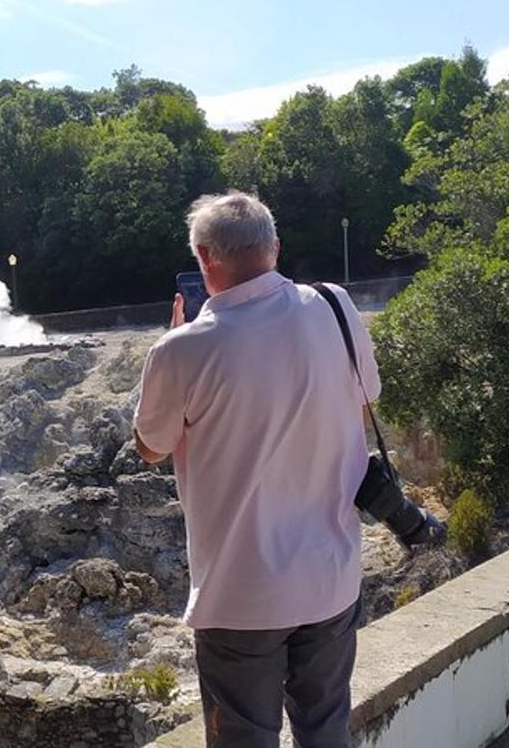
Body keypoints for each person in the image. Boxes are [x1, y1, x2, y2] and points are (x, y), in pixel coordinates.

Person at [133, 191, 379, 748]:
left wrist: (172, 342)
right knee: (326, 731)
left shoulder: (181, 350)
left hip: (240, 593)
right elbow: (362, 409)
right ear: (274, 247)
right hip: (330, 577)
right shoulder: (337, 307)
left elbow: (151, 446)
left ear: (202, 258)